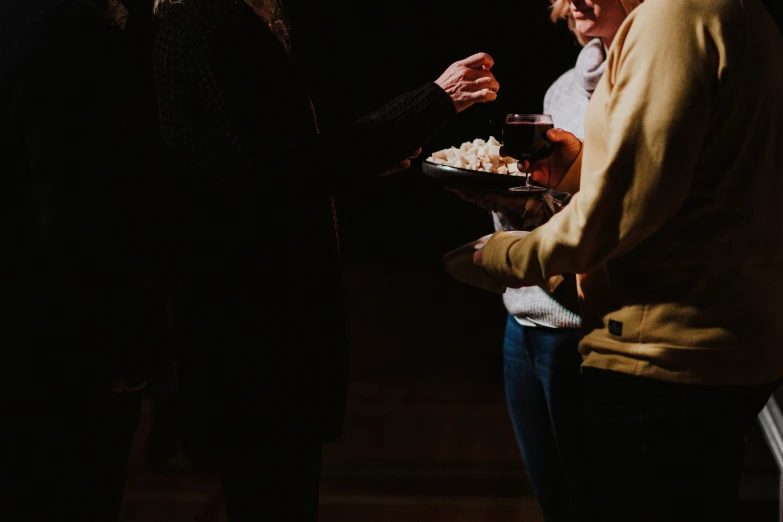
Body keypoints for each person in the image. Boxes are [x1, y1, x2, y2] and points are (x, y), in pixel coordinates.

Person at [151, 0, 499, 519]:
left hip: (246, 316)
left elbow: (269, 158)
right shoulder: (214, 23)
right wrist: (434, 101)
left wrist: (363, 156)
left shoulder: (213, 20)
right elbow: (288, 171)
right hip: (256, 320)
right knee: (273, 490)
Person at [471, 0, 783, 520]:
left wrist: (506, 256)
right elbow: (694, 176)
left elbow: (622, 208)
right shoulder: (748, 16)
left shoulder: (674, 17)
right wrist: (576, 167)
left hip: (662, 357)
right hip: (723, 349)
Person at [448, 1, 641, 520]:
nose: (574, 0)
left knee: (594, 502)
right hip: (524, 319)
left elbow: (624, 212)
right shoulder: (563, 88)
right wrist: (506, 202)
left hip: (583, 330)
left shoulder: (644, 85)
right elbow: (550, 193)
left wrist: (536, 206)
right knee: (555, 504)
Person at [1, 0, 171, 520]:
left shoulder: (27, 24)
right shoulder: (70, 33)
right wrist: (127, 345)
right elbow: (80, 208)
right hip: (66, 343)